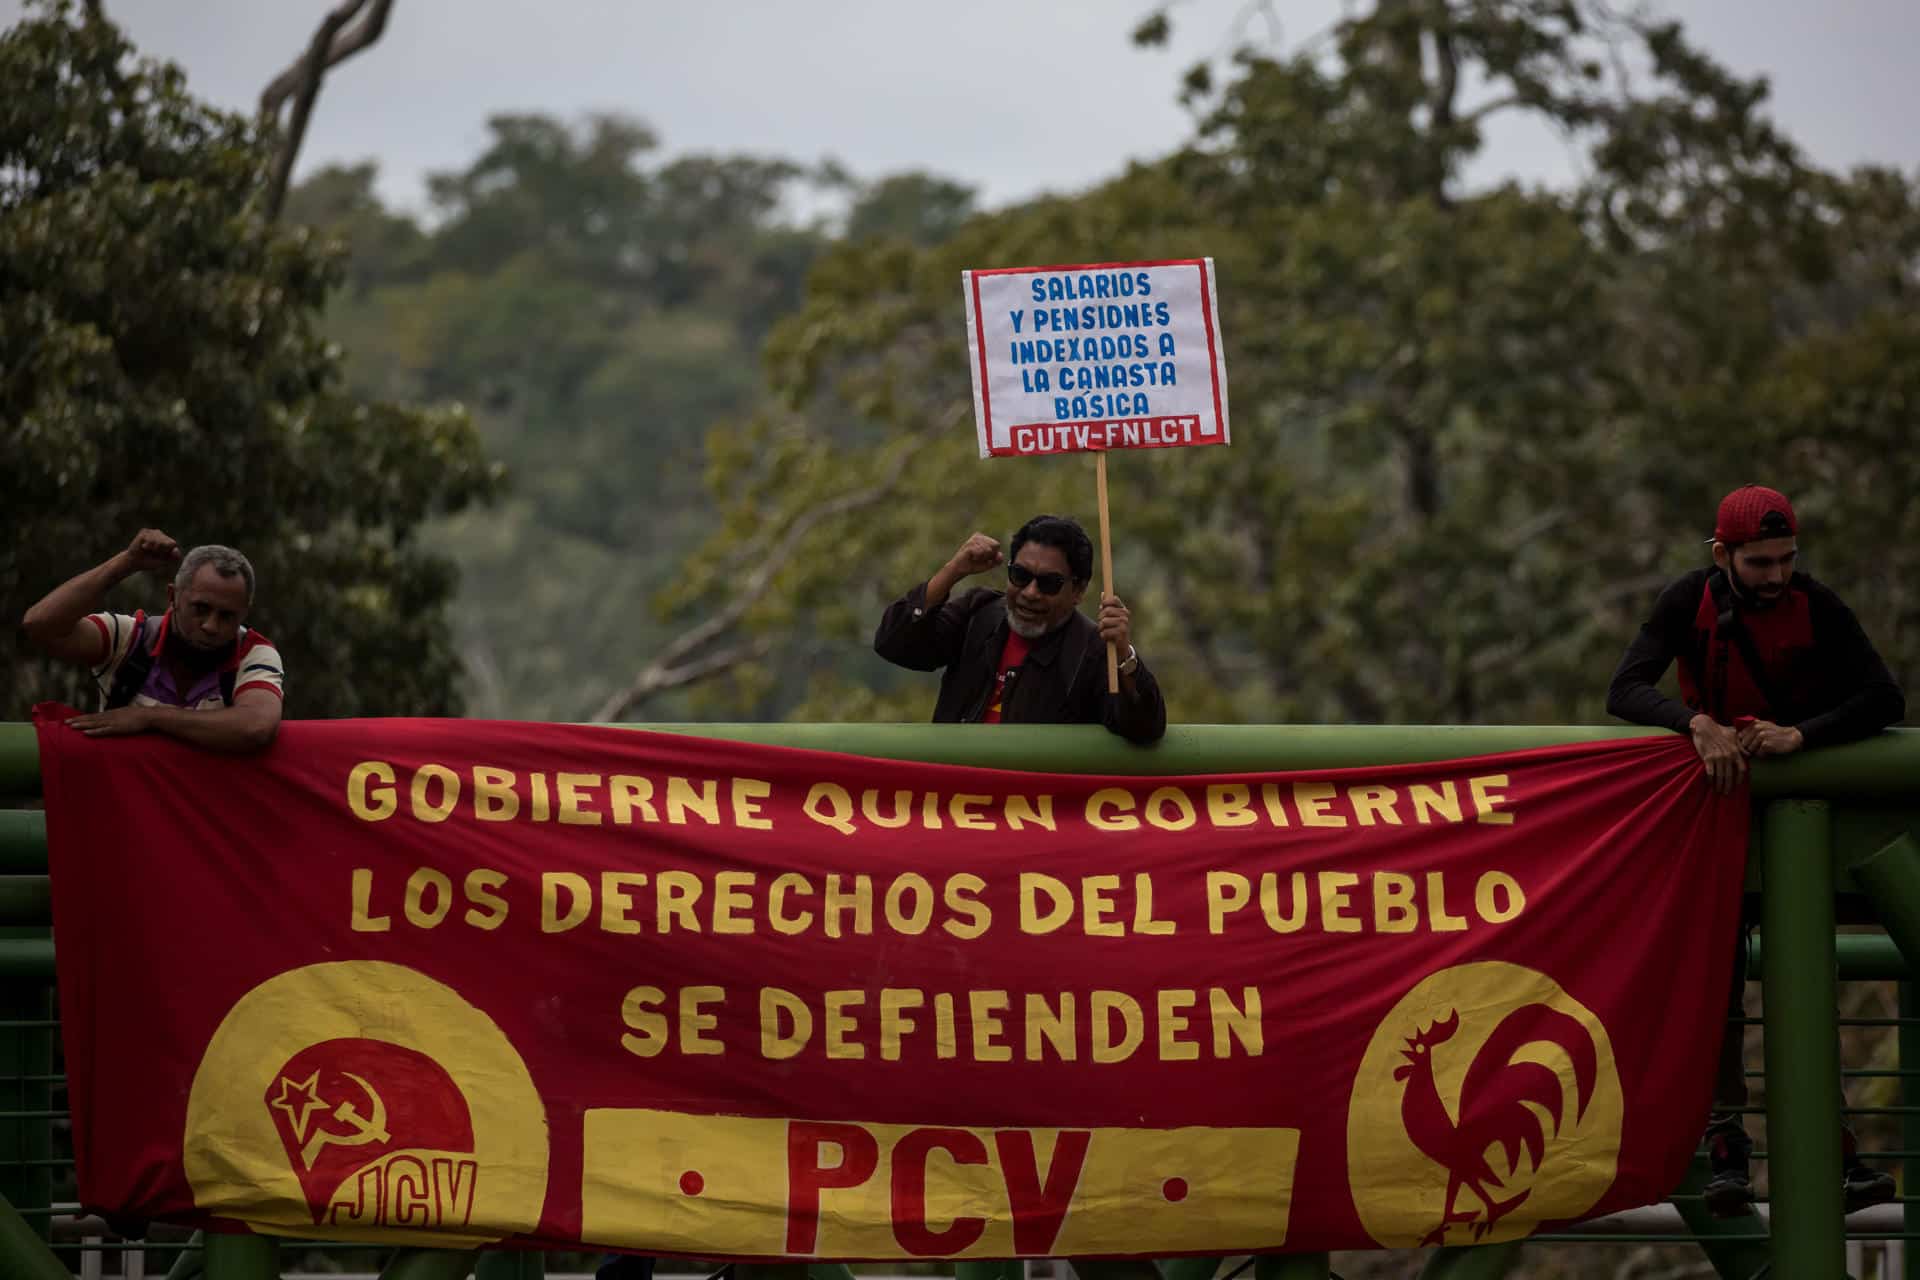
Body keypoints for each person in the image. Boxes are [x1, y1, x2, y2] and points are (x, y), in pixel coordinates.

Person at [1606, 484, 1904, 1216]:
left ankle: (1838, 1152)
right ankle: (1727, 1151)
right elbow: (1625, 689)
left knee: (1804, 991)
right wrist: (1695, 724)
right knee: (1718, 997)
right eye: (1760, 561)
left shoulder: (1818, 605)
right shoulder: (1688, 602)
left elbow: (1883, 699)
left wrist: (1802, 735)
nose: (1775, 576)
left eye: (1786, 560)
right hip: (1712, 826)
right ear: (1723, 554)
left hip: (1798, 828)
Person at [875, 514, 1165, 744]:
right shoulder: (979, 612)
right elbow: (894, 643)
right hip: (952, 807)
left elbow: (1144, 728)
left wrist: (1124, 653)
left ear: (1078, 590)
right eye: (1021, 576)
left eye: (1048, 584)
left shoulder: (1092, 650)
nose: (1030, 592)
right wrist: (953, 571)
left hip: (1032, 812)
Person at [22, 528, 284, 753]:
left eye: (227, 616)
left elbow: (256, 726)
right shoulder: (129, 638)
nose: (211, 626)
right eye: (200, 608)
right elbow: (40, 625)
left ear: (244, 614)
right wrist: (127, 562)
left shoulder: (253, 652)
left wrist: (147, 718)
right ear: (173, 596)